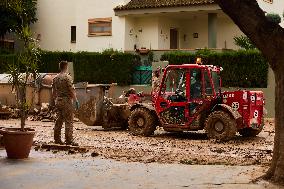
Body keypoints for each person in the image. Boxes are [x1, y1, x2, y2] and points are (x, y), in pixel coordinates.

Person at [52, 61, 79, 146]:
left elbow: (53, 91)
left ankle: (57, 139)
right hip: (66, 101)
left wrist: (55, 100)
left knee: (59, 120)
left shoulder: (55, 78)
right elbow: (71, 90)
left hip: (58, 100)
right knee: (69, 121)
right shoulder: (67, 77)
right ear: (66, 67)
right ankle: (69, 140)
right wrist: (75, 100)